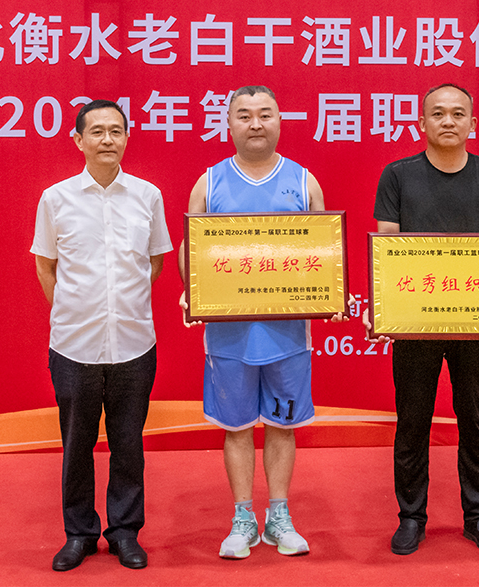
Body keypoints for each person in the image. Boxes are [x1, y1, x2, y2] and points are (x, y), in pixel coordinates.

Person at [371, 83, 479, 556]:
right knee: (412, 422)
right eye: (437, 113)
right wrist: (384, 309)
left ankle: (478, 516)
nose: (447, 121)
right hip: (414, 322)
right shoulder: (397, 176)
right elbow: (387, 248)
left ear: (472, 124)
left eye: (458, 114)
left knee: (476, 422)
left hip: (473, 320)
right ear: (421, 123)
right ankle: (411, 518)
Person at [182, 86, 330, 559]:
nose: (255, 124)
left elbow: (324, 248)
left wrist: (327, 290)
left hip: (287, 333)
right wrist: (193, 291)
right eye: (244, 115)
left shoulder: (304, 181)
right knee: (238, 426)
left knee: (283, 425)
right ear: (228, 124)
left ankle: (279, 516)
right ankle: (243, 517)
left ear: (280, 121)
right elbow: (190, 246)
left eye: (265, 114)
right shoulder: (210, 182)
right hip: (229, 334)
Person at [31, 100, 170, 571]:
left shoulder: (148, 196)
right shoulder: (56, 199)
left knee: (128, 443)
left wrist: (121, 305)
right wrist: (76, 310)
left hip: (134, 342)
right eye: (97, 131)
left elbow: (155, 261)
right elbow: (45, 266)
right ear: (78, 140)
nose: (107, 139)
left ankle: (125, 531)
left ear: (127, 137)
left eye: (116, 130)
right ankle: (79, 533)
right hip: (74, 345)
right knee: (77, 444)